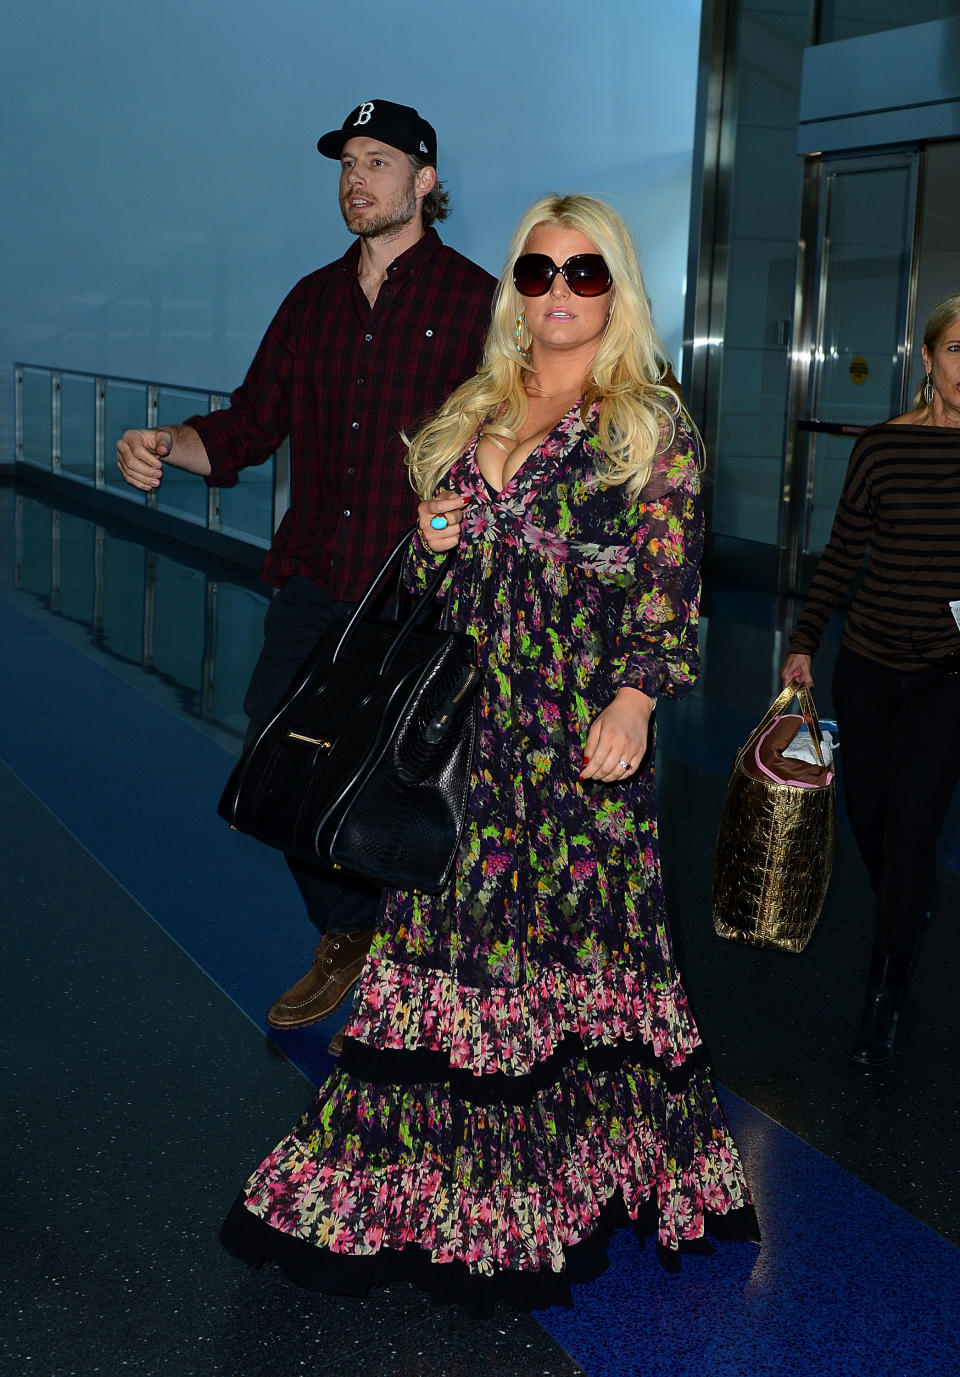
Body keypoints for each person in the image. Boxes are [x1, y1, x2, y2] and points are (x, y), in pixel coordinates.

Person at [219, 193, 759, 1311]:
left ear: (617, 288)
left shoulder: (646, 422)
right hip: (456, 746)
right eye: (536, 271)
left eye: (583, 272)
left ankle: (550, 1191)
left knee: (564, 977)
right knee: (440, 971)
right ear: (515, 287)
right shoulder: (473, 411)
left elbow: (668, 593)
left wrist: (637, 703)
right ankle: (418, 1191)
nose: (557, 293)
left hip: (576, 754)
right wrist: (431, 544)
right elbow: (427, 591)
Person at [116, 101, 496, 1038]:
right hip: (319, 584)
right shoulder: (309, 302)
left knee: (414, 786)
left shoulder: (482, 304)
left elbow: (517, 439)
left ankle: (428, 965)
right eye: (346, 164)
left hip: (423, 596)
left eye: (377, 161)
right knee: (274, 767)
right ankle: (351, 928)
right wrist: (170, 439)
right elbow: (247, 426)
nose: (355, 179)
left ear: (426, 181)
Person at [782, 294, 960, 1068]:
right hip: (868, 661)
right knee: (872, 819)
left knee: (915, 827)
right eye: (958, 349)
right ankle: (905, 910)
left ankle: (884, 990)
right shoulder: (883, 449)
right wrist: (804, 640)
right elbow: (845, 546)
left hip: (949, 675)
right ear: (928, 359)